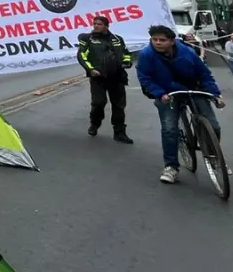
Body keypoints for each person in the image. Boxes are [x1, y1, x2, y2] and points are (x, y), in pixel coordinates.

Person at [136, 24, 225, 184]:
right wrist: (159, 94)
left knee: (214, 126)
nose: (157, 43)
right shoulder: (146, 55)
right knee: (170, 129)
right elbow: (145, 79)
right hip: (166, 93)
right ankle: (171, 167)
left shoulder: (187, 52)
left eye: (162, 40)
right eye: (154, 39)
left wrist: (216, 94)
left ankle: (213, 156)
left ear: (171, 41)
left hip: (193, 87)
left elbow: (204, 73)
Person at [77, 15, 134, 144]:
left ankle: (120, 132)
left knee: (119, 106)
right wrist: (91, 70)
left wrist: (126, 62)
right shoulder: (87, 39)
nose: (96, 26)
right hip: (98, 77)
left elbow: (126, 53)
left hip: (117, 77)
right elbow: (82, 56)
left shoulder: (117, 39)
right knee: (98, 103)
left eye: (99, 24)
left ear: (106, 26)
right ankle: (94, 124)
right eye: (95, 23)